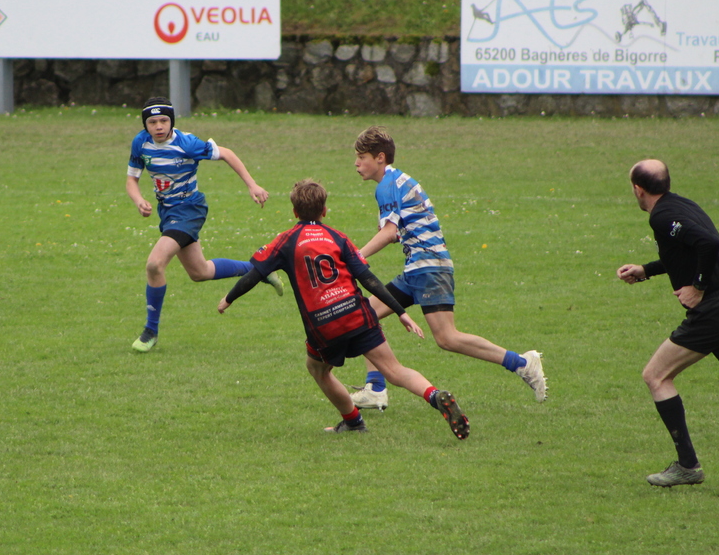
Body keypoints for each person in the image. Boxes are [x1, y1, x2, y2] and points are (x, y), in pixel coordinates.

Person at [218, 179, 469, 439]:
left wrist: (229, 298)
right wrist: (401, 312)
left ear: (294, 212)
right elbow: (368, 278)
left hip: (324, 325)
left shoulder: (286, 241)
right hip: (358, 314)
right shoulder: (338, 237)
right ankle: (434, 395)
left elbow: (255, 274)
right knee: (394, 370)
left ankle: (353, 422)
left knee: (318, 370)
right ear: (324, 210)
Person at [349, 126, 546, 411]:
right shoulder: (395, 180)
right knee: (364, 315)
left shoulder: (387, 185)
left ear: (380, 157)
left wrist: (355, 257)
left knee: (447, 338)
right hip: (419, 267)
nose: (356, 163)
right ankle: (375, 388)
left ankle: (523, 363)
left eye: (362, 157)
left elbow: (389, 233)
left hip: (428, 267)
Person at [126, 97, 283, 352]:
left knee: (154, 264)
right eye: (152, 122)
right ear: (145, 125)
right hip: (168, 212)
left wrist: (252, 185)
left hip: (190, 210)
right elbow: (132, 179)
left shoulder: (187, 144)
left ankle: (150, 331)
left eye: (164, 120)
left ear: (171, 121)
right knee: (200, 272)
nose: (159, 126)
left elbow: (227, 153)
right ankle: (259, 269)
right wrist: (138, 200)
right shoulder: (140, 143)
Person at [617, 159, 719, 487]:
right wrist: (646, 270)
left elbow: (709, 243)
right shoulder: (682, 205)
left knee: (656, 375)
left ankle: (688, 466)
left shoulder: (661, 216)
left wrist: (698, 287)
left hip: (713, 310)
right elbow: (689, 249)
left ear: (638, 189)